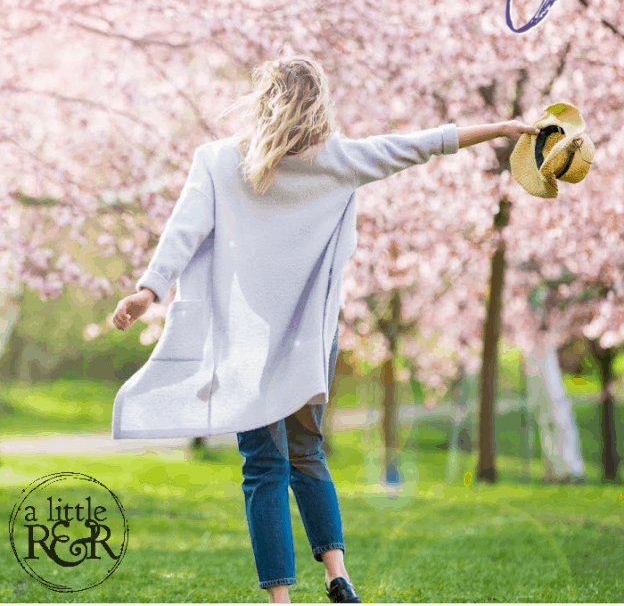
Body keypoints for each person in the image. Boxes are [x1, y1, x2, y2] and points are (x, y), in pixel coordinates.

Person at [112, 53, 538, 604]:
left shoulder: (217, 161)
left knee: (263, 465)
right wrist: (502, 129)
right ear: (318, 103)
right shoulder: (339, 160)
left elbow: (182, 233)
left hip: (249, 340)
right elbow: (422, 143)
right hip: (310, 337)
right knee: (307, 450)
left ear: (264, 101)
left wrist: (149, 289)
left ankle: (281, 599)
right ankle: (338, 574)